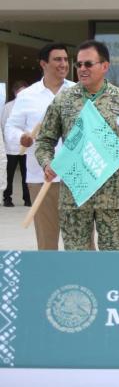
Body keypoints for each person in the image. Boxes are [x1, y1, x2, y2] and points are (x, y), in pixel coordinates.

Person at [36, 40, 119, 251]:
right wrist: (47, 163)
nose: (82, 69)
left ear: (105, 66)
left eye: (88, 64)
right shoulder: (63, 100)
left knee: (114, 260)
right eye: (79, 65)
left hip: (112, 199)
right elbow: (44, 141)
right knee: (77, 262)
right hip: (75, 198)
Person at [5, 44, 76, 249]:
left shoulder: (78, 92)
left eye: (65, 59)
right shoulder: (27, 96)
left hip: (78, 178)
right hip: (42, 177)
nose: (63, 64)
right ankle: (51, 279)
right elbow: (12, 126)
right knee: (46, 240)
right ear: (43, 64)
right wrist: (22, 138)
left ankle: (84, 279)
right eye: (57, 60)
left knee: (81, 240)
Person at [3, 80, 31, 207]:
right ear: (15, 93)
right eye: (20, 92)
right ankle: (7, 198)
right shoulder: (8, 107)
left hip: (26, 148)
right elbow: (4, 126)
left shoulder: (31, 106)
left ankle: (27, 199)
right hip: (11, 148)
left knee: (27, 175)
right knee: (9, 175)